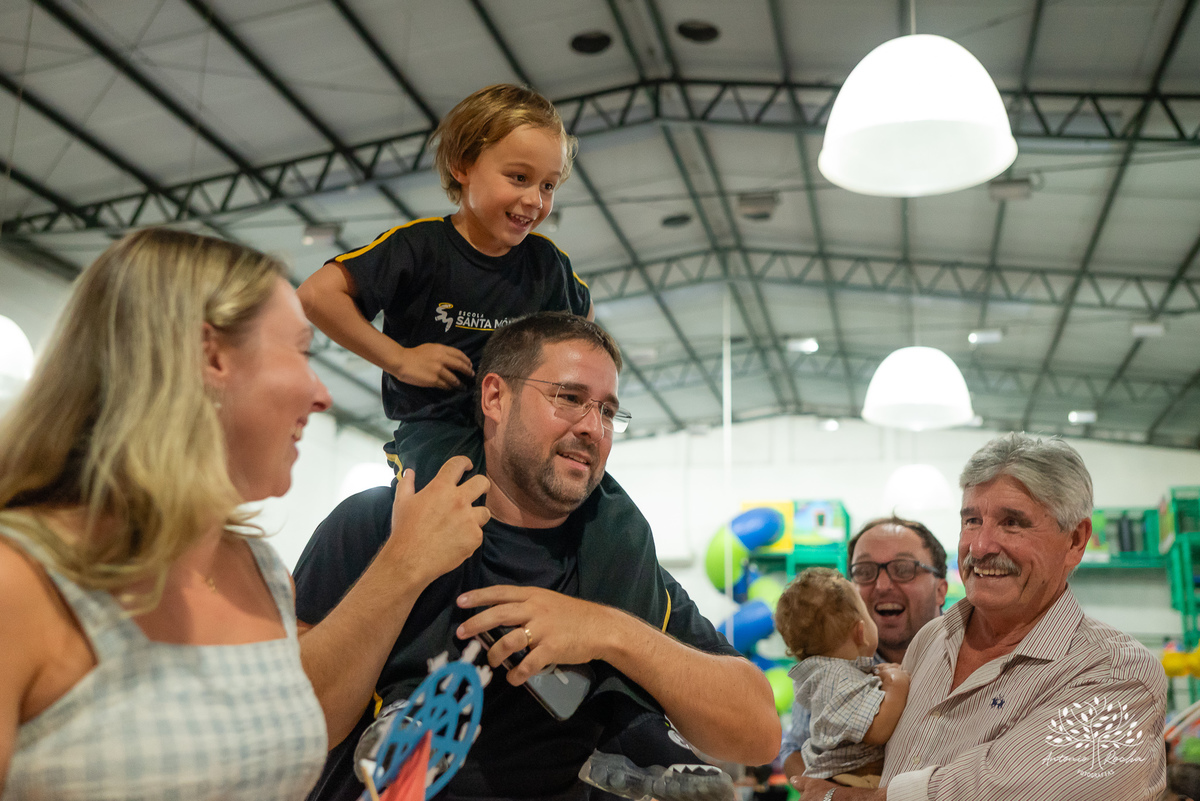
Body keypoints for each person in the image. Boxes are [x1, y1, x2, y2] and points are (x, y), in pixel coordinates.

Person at [295, 312, 781, 801]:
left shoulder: (618, 559)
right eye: (568, 398)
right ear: (494, 398)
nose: (594, 428)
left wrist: (608, 631)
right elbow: (294, 727)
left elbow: (759, 733)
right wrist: (403, 564)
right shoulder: (378, 522)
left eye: (608, 412)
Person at [0, 229, 339, 798]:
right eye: (303, 351)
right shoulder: (20, 585)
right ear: (211, 356)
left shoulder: (264, 574)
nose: (323, 394)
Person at [793, 433, 1168, 801]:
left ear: (1075, 540)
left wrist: (849, 798)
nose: (980, 546)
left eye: (1013, 523)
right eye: (971, 520)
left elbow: (1010, 790)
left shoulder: (1117, 673)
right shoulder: (931, 639)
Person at [296, 82, 592, 430]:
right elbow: (316, 295)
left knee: (602, 487)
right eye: (519, 177)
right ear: (462, 167)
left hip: (519, 433)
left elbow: (582, 323)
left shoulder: (548, 264)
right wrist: (400, 360)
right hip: (437, 431)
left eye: (548, 185)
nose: (535, 201)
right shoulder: (419, 247)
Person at [781, 517, 948, 779]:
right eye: (865, 571)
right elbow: (793, 748)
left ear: (941, 590)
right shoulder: (829, 663)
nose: (882, 585)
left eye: (903, 569)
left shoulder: (967, 655)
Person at [775, 568, 910, 786]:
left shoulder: (826, 675)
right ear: (860, 631)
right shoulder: (838, 677)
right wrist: (897, 684)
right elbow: (876, 730)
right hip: (855, 776)